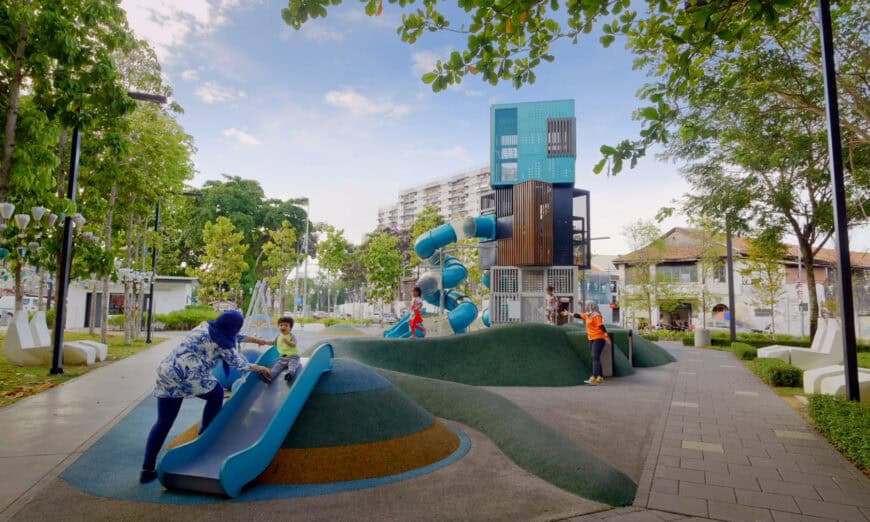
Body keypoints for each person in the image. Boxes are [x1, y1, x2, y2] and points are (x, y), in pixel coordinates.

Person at [140, 310, 273, 484]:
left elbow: (236, 336)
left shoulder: (204, 327)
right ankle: (206, 433)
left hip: (166, 371)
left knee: (163, 422)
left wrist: (260, 341)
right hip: (187, 374)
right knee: (216, 392)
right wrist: (260, 368)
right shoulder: (222, 344)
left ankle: (147, 469)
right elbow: (239, 362)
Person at [566, 302, 612, 385]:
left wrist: (606, 337)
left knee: (595, 357)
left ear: (592, 307)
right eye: (586, 305)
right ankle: (600, 377)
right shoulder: (588, 315)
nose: (586, 307)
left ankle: (594, 377)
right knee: (596, 357)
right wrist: (568, 313)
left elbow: (601, 326)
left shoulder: (596, 315)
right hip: (591, 338)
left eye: (588, 305)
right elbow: (578, 316)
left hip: (599, 338)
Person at [263, 316, 301, 383]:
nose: (283, 327)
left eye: (286, 325)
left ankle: (289, 375)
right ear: (278, 327)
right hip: (282, 358)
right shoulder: (278, 336)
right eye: (281, 325)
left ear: (290, 328)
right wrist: (264, 342)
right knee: (276, 367)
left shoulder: (291, 336)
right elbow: (273, 343)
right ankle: (270, 377)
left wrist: (288, 342)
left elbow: (294, 344)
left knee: (292, 365)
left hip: (293, 356)